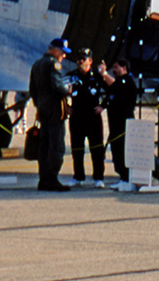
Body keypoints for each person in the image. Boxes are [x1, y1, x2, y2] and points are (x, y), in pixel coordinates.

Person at [29, 37, 72, 191]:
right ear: (55, 50)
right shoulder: (53, 64)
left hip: (42, 108)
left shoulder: (37, 64)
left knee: (44, 144)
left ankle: (44, 178)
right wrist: (68, 90)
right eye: (62, 52)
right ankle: (52, 178)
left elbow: (32, 89)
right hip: (55, 109)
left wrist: (38, 106)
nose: (64, 56)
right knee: (56, 144)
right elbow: (56, 86)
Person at [67, 48, 108, 187]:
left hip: (93, 116)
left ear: (90, 61)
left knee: (96, 148)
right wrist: (66, 107)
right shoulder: (71, 76)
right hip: (77, 116)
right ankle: (78, 176)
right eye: (79, 59)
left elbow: (111, 91)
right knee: (77, 148)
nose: (80, 61)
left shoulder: (97, 76)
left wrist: (103, 106)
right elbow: (58, 91)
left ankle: (98, 178)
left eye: (83, 59)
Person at [99, 58, 138, 186]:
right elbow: (109, 93)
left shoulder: (127, 81)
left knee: (123, 150)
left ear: (124, 68)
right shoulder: (116, 84)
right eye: (113, 68)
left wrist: (105, 74)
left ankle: (126, 178)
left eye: (116, 68)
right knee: (116, 151)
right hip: (114, 124)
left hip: (124, 124)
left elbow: (116, 87)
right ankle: (122, 176)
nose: (114, 70)